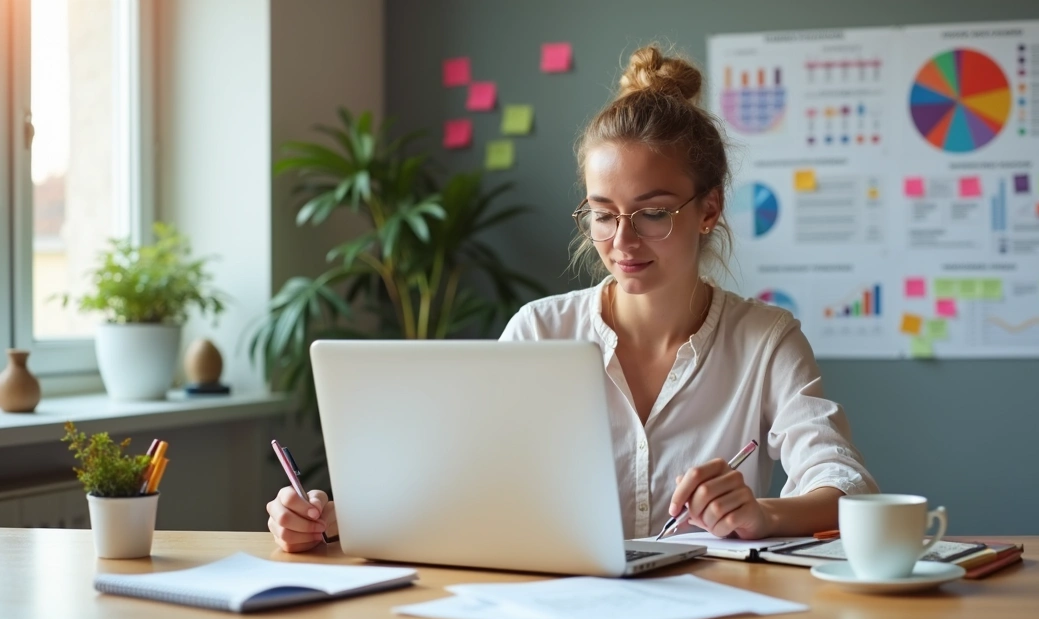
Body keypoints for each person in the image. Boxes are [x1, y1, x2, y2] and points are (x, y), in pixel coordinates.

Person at [268, 44, 878, 553]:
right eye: (603, 214)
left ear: (709, 209)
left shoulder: (765, 340)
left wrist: (764, 514)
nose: (623, 241)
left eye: (653, 213)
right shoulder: (540, 331)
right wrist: (329, 517)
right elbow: (463, 480)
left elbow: (845, 487)